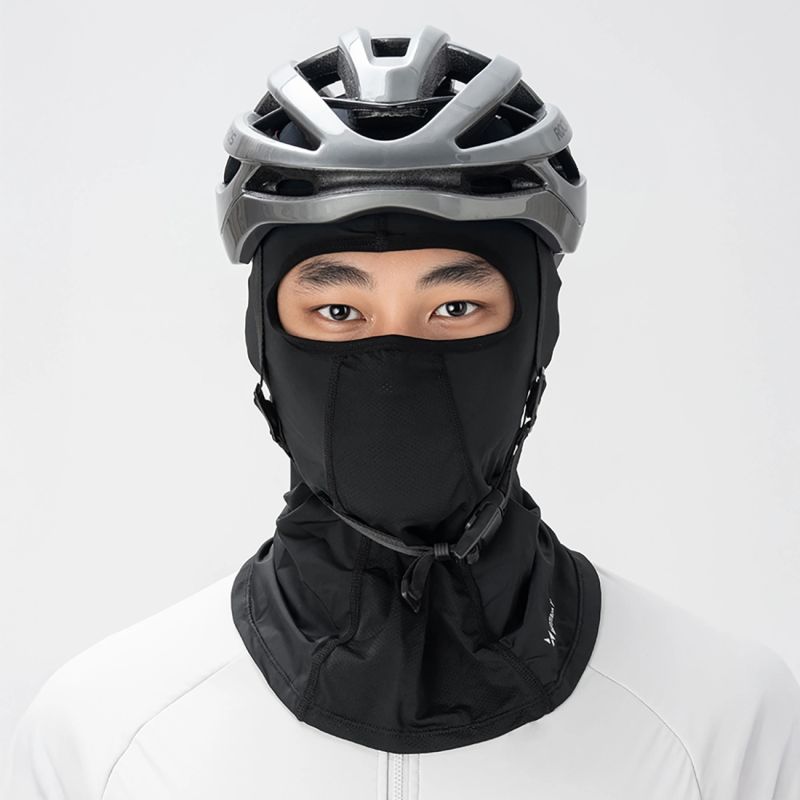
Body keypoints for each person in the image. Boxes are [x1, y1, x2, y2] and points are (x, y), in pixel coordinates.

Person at [3, 24, 799, 800]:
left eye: (454, 308)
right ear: (264, 342)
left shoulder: (724, 723)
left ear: (538, 334)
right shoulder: (104, 736)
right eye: (338, 312)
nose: (394, 364)